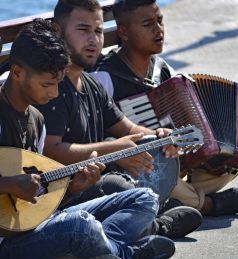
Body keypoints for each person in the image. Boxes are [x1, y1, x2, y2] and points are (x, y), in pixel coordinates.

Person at [0, 18, 175, 259]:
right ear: (17, 73)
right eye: (46, 84)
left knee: (144, 198)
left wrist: (73, 189)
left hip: (36, 224)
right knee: (79, 225)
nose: (53, 93)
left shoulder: (36, 121)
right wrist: (8, 184)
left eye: (57, 84)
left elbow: (34, 202)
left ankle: (102, 250)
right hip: (6, 243)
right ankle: (127, 254)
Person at [35, 0, 202, 240]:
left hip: (93, 182)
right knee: (120, 187)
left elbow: (128, 128)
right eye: (83, 30)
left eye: (99, 31)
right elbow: (51, 149)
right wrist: (114, 148)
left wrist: (159, 136)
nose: (93, 40)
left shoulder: (92, 85)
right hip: (63, 194)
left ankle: (148, 219)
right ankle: (157, 227)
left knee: (134, 181)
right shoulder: (53, 88)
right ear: (57, 31)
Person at [92, 0, 238, 216]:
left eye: (160, 20)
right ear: (123, 32)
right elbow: (96, 137)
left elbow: (191, 129)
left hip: (174, 165)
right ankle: (206, 204)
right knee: (148, 175)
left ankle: (177, 201)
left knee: (230, 161)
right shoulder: (104, 77)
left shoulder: (163, 70)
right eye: (148, 24)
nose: (158, 29)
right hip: (135, 168)